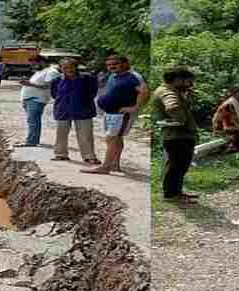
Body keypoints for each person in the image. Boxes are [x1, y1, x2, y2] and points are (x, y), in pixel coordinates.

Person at [83, 55, 148, 175]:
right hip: (110, 113)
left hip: (121, 114)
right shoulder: (114, 75)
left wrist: (135, 108)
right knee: (116, 139)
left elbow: (144, 92)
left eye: (115, 64)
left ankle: (105, 167)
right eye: (109, 65)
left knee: (111, 138)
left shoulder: (134, 76)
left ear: (125, 63)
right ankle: (115, 165)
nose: (111, 66)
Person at [152, 66, 199, 203]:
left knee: (180, 165)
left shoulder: (171, 91)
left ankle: (176, 192)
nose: (191, 85)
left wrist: (187, 98)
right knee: (176, 165)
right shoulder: (168, 92)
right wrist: (180, 119)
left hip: (179, 135)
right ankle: (172, 195)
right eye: (189, 82)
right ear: (178, 80)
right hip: (176, 135)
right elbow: (173, 106)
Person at [50, 58, 100, 164]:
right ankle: (60, 154)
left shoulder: (88, 78)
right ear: (61, 69)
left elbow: (93, 93)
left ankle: (89, 156)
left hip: (83, 110)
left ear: (76, 67)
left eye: (71, 67)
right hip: (63, 109)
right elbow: (55, 94)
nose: (69, 69)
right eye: (65, 67)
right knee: (61, 134)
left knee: (85, 135)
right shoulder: (57, 80)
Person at [17, 61, 61, 147]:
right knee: (31, 121)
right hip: (30, 98)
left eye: (34, 63)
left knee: (33, 121)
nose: (32, 65)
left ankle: (31, 142)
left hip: (37, 99)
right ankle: (32, 140)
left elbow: (49, 86)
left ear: (42, 62)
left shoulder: (51, 72)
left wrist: (30, 84)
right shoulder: (40, 71)